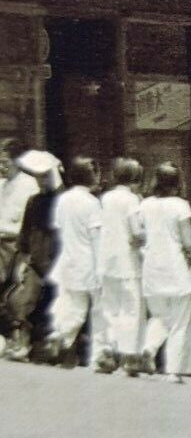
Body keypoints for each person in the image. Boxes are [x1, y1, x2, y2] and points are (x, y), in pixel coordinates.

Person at [136, 162, 191, 383]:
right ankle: (173, 369)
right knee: (180, 321)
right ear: (178, 182)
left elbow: (139, 236)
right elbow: (188, 243)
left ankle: (149, 348)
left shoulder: (145, 205)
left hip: (152, 269)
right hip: (177, 269)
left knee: (159, 316)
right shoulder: (181, 206)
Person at [45, 156, 102, 367]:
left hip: (66, 258)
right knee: (79, 309)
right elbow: (96, 237)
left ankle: (59, 336)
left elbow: (59, 229)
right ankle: (60, 335)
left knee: (65, 302)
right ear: (92, 176)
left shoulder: (63, 200)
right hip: (86, 261)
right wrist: (100, 267)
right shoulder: (92, 203)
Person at [6, 151, 59, 361]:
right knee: (24, 303)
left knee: (51, 307)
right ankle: (23, 343)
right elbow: (25, 234)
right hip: (37, 260)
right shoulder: (33, 201)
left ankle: (49, 348)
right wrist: (22, 260)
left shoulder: (61, 199)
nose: (41, 181)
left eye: (44, 176)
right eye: (38, 176)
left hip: (55, 260)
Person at [94, 157, 143, 375]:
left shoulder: (105, 198)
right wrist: (144, 236)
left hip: (107, 261)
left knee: (110, 309)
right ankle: (129, 356)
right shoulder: (131, 200)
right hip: (128, 262)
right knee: (131, 309)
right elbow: (136, 232)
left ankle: (108, 352)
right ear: (134, 178)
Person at [0, 137, 37, 288]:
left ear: (18, 162)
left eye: (4, 162)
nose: (1, 167)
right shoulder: (1, 184)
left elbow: (27, 230)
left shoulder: (30, 186)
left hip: (14, 248)